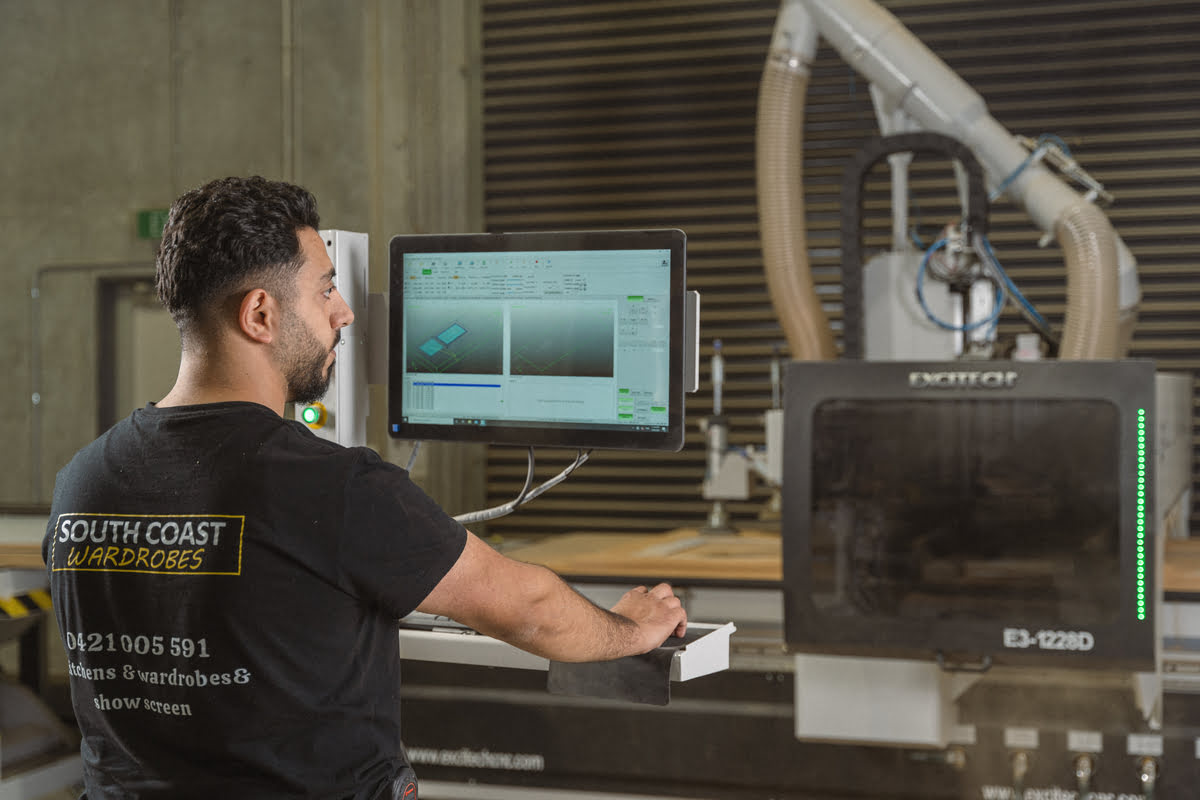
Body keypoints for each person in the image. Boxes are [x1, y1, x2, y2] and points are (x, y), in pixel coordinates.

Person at [42, 176, 687, 800]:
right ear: (260, 314)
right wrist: (629, 629)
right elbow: (529, 608)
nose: (345, 312)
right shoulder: (335, 486)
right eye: (325, 290)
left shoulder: (83, 480)